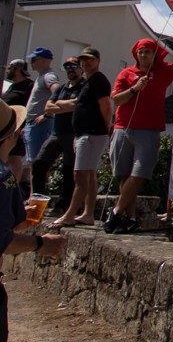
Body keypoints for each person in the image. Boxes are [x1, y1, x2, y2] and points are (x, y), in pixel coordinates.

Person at [106, 27, 173, 233]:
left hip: (148, 130)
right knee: (124, 176)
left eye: (147, 51)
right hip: (123, 127)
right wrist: (134, 88)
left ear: (154, 54)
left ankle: (114, 213)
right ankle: (129, 218)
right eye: (140, 52)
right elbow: (116, 99)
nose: (143, 55)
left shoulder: (163, 72)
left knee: (139, 174)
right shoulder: (126, 74)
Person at [0, 97, 66, 338]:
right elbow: (3, 241)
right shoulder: (4, 178)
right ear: (12, 136)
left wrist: (17, 220)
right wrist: (41, 244)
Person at [48, 46, 110, 229]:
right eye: (83, 60)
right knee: (89, 174)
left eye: (90, 59)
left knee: (80, 174)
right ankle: (88, 214)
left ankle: (69, 215)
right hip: (86, 134)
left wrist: (106, 127)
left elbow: (106, 106)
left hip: (91, 134)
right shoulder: (90, 81)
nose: (86, 63)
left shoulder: (97, 80)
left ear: (98, 61)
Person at [32, 57, 83, 211]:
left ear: (80, 68)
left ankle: (63, 205)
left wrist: (58, 105)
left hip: (73, 133)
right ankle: (37, 202)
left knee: (68, 171)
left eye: (74, 66)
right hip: (57, 133)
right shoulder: (62, 88)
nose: (70, 70)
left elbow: (77, 104)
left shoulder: (84, 86)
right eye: (67, 67)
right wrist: (65, 105)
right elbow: (48, 108)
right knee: (39, 163)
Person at [23, 47, 60, 182]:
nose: (31, 62)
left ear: (44, 60)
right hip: (33, 124)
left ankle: (36, 197)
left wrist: (47, 114)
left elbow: (57, 92)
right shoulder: (41, 76)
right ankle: (33, 196)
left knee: (36, 163)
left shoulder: (48, 76)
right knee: (32, 163)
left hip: (40, 124)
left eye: (34, 59)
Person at [1, 60, 32, 190]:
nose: (7, 70)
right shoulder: (13, 86)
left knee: (14, 158)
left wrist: (23, 126)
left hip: (17, 129)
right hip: (6, 127)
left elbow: (32, 107)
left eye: (9, 68)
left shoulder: (29, 86)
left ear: (17, 70)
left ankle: (12, 189)